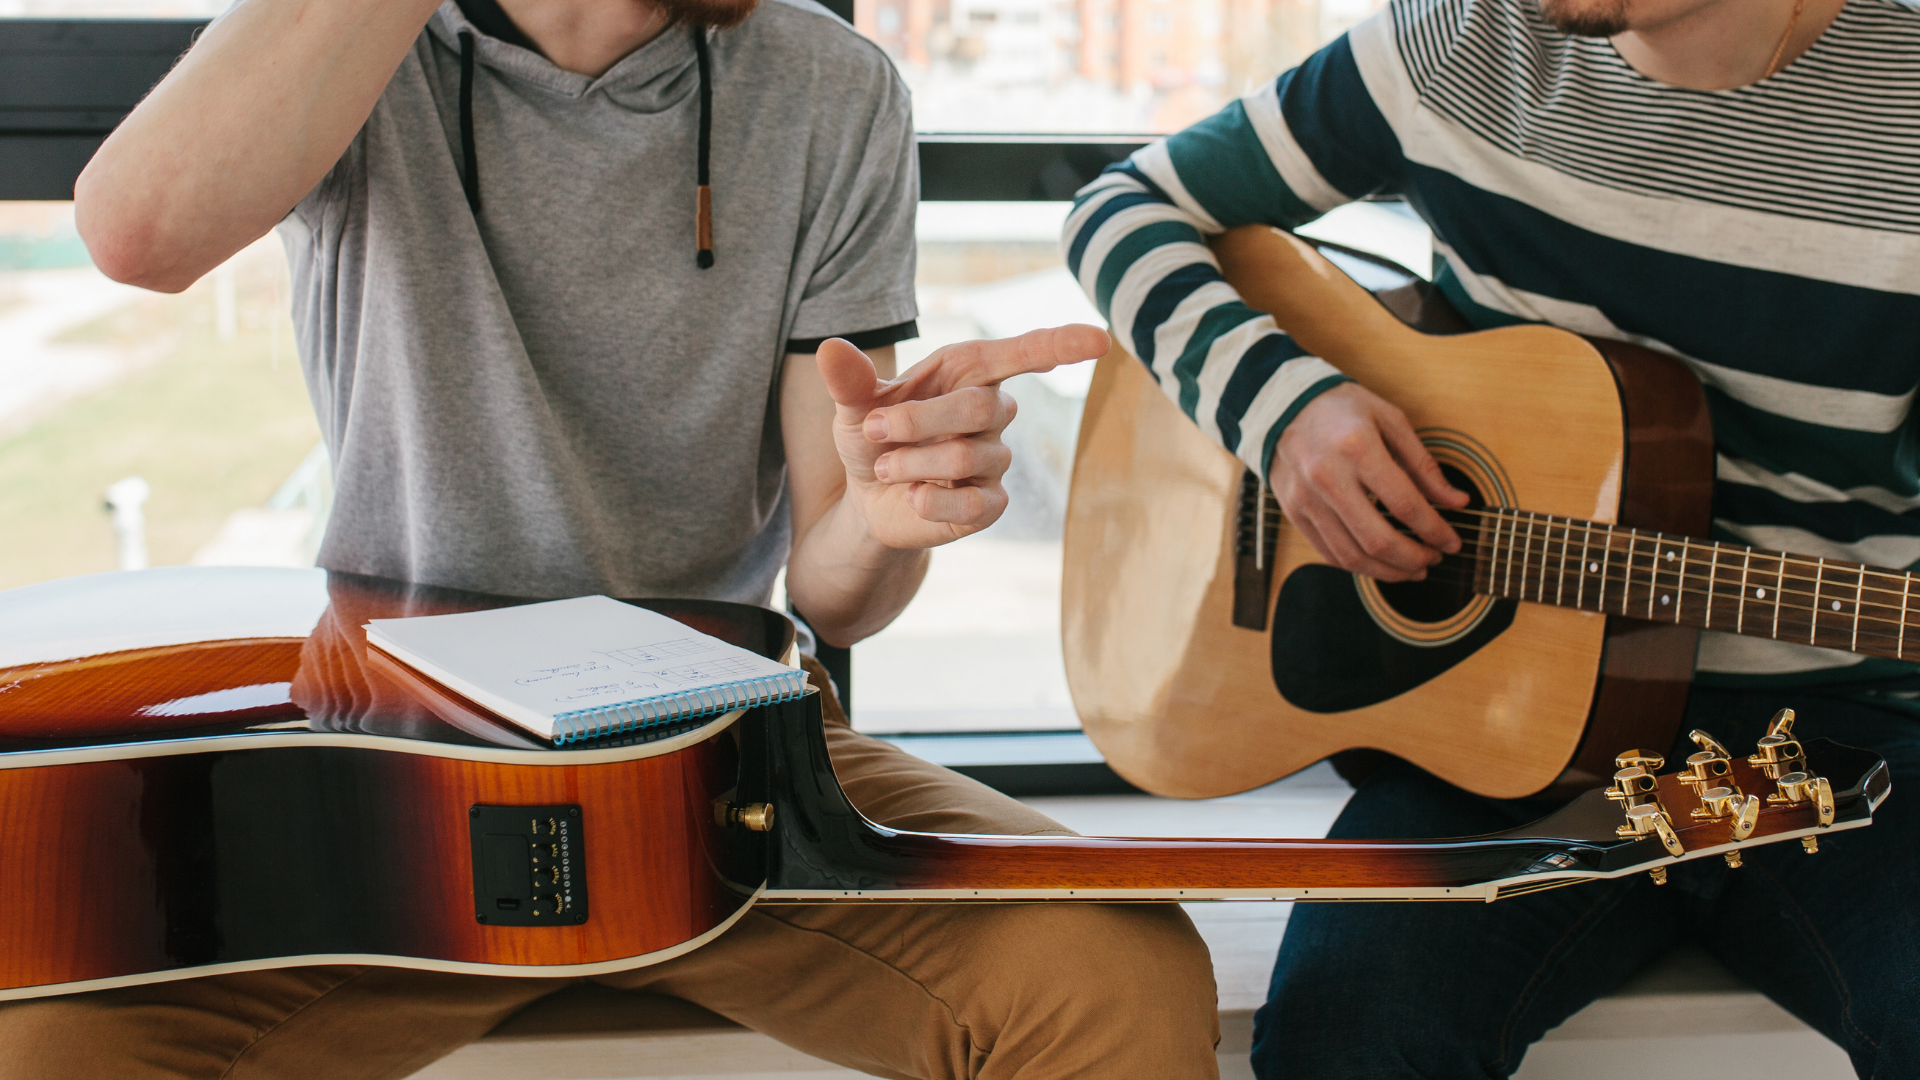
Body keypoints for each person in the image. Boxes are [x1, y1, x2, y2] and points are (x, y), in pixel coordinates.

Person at [7, 0, 1224, 1076]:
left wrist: (888, 515)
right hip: (384, 782)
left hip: (721, 776)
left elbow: (838, 593)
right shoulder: (358, 49)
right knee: (54, 1040)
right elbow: (137, 234)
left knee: (1116, 972)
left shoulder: (827, 84)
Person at [1064, 0, 1920, 1075]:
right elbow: (1123, 207)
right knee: (1354, 1041)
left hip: (1833, 751)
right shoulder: (1461, 42)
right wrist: (1285, 413)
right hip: (1498, 749)